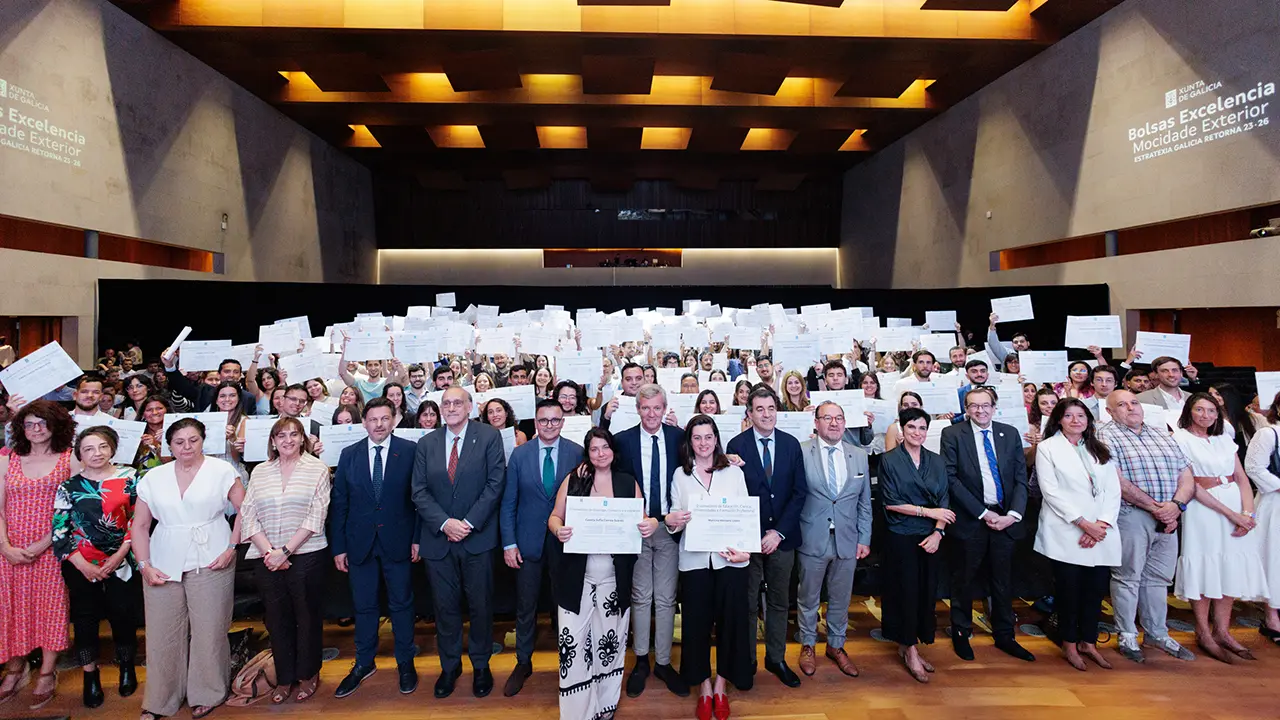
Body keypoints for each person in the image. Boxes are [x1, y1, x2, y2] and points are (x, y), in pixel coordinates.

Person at [131, 418, 243, 720]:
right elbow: (139, 526)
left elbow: (247, 510)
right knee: (162, 634)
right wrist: (144, 565)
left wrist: (232, 547)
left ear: (203, 440)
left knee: (210, 630)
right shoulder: (154, 477)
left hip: (212, 556)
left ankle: (207, 692)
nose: (186, 447)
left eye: (193, 440)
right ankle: (160, 700)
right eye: (179, 442)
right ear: (169, 445)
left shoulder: (221, 471)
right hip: (163, 560)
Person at [548, 428, 651, 720]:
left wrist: (648, 524)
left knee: (610, 642)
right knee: (573, 642)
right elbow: (555, 516)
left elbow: (642, 518)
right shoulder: (575, 479)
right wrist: (559, 529)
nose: (600, 454)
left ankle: (605, 706)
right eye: (594, 449)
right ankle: (577, 712)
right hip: (576, 577)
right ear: (587, 452)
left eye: (605, 448)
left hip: (614, 578)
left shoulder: (626, 481)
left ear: (613, 451)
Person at [412, 386, 505, 699]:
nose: (451, 407)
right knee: (445, 608)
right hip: (439, 540)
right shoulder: (426, 443)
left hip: (476, 538)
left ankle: (481, 664)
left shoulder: (489, 437)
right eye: (446, 403)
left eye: (457, 402)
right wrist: (445, 523)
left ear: (470, 406)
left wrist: (466, 523)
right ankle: (449, 666)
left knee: (480, 605)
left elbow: (495, 484)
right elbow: (419, 491)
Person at [1096, 391, 1197, 663]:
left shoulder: (1162, 435)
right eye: (1122, 405)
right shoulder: (1105, 436)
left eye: (1134, 403)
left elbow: (1187, 476)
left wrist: (1175, 506)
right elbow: (1116, 481)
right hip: (1132, 515)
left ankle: (1157, 633)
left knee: (1159, 578)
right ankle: (1127, 634)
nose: (1130, 408)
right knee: (1128, 576)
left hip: (1169, 515)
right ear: (1109, 411)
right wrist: (1157, 508)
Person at [330, 398, 421, 698]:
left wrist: (418, 538)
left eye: (385, 418)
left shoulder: (410, 451)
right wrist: (339, 547)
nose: (379, 424)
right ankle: (363, 663)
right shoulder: (349, 455)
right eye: (373, 419)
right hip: (360, 545)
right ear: (364, 422)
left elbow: (420, 500)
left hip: (399, 541)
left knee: (402, 605)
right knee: (364, 606)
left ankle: (405, 662)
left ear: (394, 420)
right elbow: (340, 503)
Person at [664, 415, 752, 720]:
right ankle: (703, 686)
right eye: (697, 438)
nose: (703, 443)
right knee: (696, 625)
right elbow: (675, 517)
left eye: (708, 437)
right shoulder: (680, 475)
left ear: (717, 439)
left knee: (730, 624)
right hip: (694, 561)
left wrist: (746, 554)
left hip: (730, 559)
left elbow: (745, 517)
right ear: (690, 442)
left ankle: (721, 685)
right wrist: (672, 522)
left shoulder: (734, 473)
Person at [939, 386, 1034, 662]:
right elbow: (951, 478)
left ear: (995, 407)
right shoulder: (953, 434)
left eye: (985, 405)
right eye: (973, 406)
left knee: (1003, 581)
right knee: (964, 580)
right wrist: (982, 513)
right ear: (966, 409)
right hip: (972, 519)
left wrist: (1013, 515)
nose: (980, 410)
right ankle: (961, 632)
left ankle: (1005, 635)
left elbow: (1020, 477)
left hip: (1005, 519)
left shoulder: (1009, 433)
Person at [240, 417, 332, 703]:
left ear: (303, 438)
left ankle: (308, 673)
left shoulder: (316, 468)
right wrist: (270, 552)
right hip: (266, 557)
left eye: (294, 434)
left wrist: (286, 551)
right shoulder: (260, 472)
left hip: (306, 555)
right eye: (281, 436)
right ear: (272, 441)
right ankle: (285, 677)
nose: (288, 440)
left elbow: (317, 515)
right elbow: (248, 514)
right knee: (277, 620)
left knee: (307, 616)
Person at [1172, 393, 1266, 663]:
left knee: (1230, 567)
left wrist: (1247, 512)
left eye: (1210, 410)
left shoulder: (1225, 439)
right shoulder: (1180, 439)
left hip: (1235, 504)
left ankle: (1223, 630)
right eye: (1199, 410)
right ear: (1189, 412)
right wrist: (1231, 515)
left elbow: (1241, 477)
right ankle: (1203, 631)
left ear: (1217, 414)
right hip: (1205, 509)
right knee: (1205, 565)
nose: (1205, 415)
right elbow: (1192, 485)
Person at [500, 399, 584, 697]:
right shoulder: (520, 455)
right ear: (535, 423)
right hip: (528, 543)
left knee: (566, 606)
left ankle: (569, 661)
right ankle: (523, 662)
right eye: (544, 420)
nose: (550, 425)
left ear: (563, 422)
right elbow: (509, 502)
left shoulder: (577, 452)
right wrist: (509, 543)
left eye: (555, 420)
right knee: (526, 606)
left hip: (566, 542)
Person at [52, 426, 141, 707]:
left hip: (123, 559)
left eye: (102, 446)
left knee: (123, 614)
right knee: (85, 618)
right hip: (80, 564)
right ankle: (90, 676)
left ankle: (127, 667)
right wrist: (82, 564)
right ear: (79, 454)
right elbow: (60, 531)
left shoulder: (130, 478)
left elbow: (139, 521)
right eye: (88, 449)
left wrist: (119, 556)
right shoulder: (68, 486)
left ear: (113, 448)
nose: (96, 453)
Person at [727, 386, 808, 688]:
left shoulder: (791, 445)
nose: (766, 414)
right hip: (748, 540)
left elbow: (799, 492)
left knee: (778, 602)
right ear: (749, 414)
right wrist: (755, 534)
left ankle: (776, 659)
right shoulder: (736, 445)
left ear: (778, 410)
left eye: (771, 408)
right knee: (747, 603)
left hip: (783, 538)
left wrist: (778, 532)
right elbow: (733, 495)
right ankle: (747, 660)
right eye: (759, 409)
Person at [1034, 398, 1121, 671]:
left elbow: (1112, 490)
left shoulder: (1100, 449)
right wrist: (1083, 523)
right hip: (1067, 530)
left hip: (1100, 532)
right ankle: (1069, 643)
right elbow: (1051, 492)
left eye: (1081, 415)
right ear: (1058, 419)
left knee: (1095, 592)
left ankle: (1089, 642)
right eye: (1069, 415)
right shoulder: (1048, 448)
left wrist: (1101, 525)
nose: (1075, 420)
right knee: (1069, 592)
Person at [612, 383, 688, 697]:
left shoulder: (678, 437)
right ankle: (642, 660)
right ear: (637, 409)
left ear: (665, 407)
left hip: (670, 527)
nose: (652, 414)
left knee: (667, 598)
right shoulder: (622, 441)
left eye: (657, 407)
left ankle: (665, 662)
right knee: (641, 596)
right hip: (637, 529)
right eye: (646, 408)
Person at [0, 400, 77, 709]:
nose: (35, 430)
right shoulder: (8, 460)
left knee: (50, 608)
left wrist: (44, 543)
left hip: (51, 549)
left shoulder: (70, 460)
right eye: (28, 424)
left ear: (55, 426)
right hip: (9, 549)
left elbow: (74, 509)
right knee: (11, 607)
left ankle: (47, 672)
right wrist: (4, 545)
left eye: (41, 424)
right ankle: (15, 669)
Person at [795, 402, 871, 678]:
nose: (834, 423)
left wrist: (865, 537)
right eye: (827, 418)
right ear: (816, 422)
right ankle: (807, 644)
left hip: (847, 539)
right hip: (812, 537)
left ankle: (837, 645)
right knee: (808, 597)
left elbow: (865, 504)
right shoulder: (801, 451)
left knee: (840, 598)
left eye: (839, 418)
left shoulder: (858, 455)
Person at [879, 407, 954, 682]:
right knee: (906, 593)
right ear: (902, 429)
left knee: (925, 593)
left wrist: (938, 533)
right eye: (912, 427)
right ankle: (909, 649)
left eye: (922, 428)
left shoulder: (936, 461)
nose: (917, 433)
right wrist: (928, 512)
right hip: (901, 536)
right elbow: (890, 502)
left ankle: (911, 644)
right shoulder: (889, 460)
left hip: (930, 538)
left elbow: (944, 502)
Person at [1244, 392, 1280, 643]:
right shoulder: (1269, 433)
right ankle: (1272, 618)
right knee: (1274, 560)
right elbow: (1254, 467)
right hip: (1275, 501)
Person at [162, 349, 255, 415]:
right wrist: (170, 366)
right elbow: (181, 386)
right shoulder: (203, 391)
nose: (231, 375)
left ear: (240, 376)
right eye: (227, 371)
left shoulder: (248, 397)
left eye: (236, 372)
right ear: (219, 375)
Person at [245, 348, 282, 415]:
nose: (266, 381)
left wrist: (271, 362)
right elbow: (250, 381)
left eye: (269, 378)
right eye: (263, 380)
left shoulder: (282, 391)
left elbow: (275, 373)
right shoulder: (259, 395)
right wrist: (256, 359)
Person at [953, 359, 991, 423]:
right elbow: (952, 420)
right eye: (974, 371)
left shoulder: (996, 391)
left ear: (987, 374)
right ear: (967, 376)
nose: (979, 374)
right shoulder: (958, 393)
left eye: (983, 371)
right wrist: (966, 416)